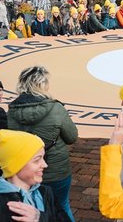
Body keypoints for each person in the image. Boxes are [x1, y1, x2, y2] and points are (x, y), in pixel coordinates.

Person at [7, 66, 78, 222]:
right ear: (42, 84)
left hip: (25, 171)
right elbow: (72, 137)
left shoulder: (11, 112)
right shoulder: (56, 108)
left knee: (33, 210)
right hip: (56, 169)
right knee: (62, 206)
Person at [0, 129, 69, 221]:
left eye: (43, 158)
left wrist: (40, 217)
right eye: (37, 160)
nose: (45, 165)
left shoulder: (46, 193)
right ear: (16, 166)